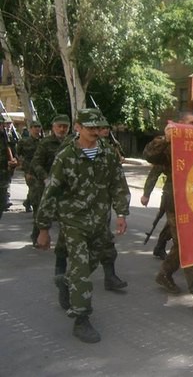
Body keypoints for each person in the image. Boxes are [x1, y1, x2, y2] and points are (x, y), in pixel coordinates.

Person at [36, 108, 131, 343]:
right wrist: (43, 228)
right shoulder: (65, 156)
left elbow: (118, 184)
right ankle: (81, 319)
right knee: (80, 267)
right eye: (90, 128)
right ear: (77, 127)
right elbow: (51, 192)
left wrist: (121, 213)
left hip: (99, 221)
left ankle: (66, 281)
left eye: (98, 128)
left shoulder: (107, 154)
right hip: (73, 222)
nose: (96, 132)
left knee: (92, 262)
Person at [143, 111, 193, 317]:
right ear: (181, 124)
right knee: (191, 244)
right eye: (192, 123)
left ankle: (165, 273)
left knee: (182, 244)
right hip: (176, 201)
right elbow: (149, 155)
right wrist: (166, 139)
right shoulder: (170, 141)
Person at [30, 114, 71, 247]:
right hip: (46, 184)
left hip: (65, 185)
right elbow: (36, 163)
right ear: (53, 128)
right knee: (42, 212)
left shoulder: (73, 143)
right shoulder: (45, 143)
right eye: (59, 126)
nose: (62, 129)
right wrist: (45, 178)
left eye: (65, 127)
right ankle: (38, 237)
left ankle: (65, 243)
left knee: (65, 214)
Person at [140, 164, 172, 259]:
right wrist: (146, 194)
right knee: (174, 222)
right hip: (171, 194)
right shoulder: (169, 152)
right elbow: (154, 172)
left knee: (175, 223)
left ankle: (160, 247)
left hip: (188, 192)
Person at [16, 121, 43, 214]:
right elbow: (17, 154)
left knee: (39, 189)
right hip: (29, 169)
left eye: (39, 126)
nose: (37, 129)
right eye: (35, 127)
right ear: (30, 129)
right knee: (34, 188)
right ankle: (36, 213)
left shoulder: (43, 141)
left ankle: (27, 202)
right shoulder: (24, 141)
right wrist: (20, 163)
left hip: (41, 170)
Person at [0, 116, 19, 218]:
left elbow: (14, 154)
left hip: (3, 173)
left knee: (2, 202)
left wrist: (14, 161)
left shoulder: (7, 138)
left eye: (1, 124)